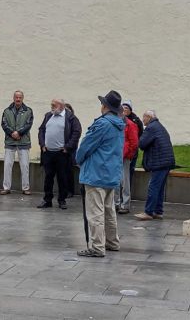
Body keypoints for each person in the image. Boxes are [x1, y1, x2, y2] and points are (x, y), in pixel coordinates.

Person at [75, 90, 125, 257]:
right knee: (109, 210)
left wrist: (78, 159)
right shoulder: (119, 124)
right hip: (111, 173)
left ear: (104, 106)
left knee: (95, 212)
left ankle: (97, 246)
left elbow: (86, 146)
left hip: (96, 173)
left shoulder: (102, 124)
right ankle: (112, 242)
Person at [36, 98, 82, 210]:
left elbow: (77, 132)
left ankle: (62, 200)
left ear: (61, 106)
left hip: (62, 153)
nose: (51, 106)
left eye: (54, 105)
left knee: (62, 178)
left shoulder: (70, 117)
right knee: (48, 178)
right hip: (48, 153)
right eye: (51, 104)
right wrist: (42, 144)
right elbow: (41, 130)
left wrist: (68, 147)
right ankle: (47, 200)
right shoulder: (48, 116)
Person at [134, 110, 175, 221]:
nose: (143, 120)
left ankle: (148, 212)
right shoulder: (159, 126)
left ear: (149, 117)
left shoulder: (151, 127)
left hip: (159, 162)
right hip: (166, 162)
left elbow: (141, 144)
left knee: (153, 187)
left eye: (144, 117)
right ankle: (158, 212)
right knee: (160, 188)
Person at [0, 91, 34, 195]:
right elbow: (4, 124)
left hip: (23, 142)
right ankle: (6, 188)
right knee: (7, 165)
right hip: (10, 141)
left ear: (23, 98)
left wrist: (19, 133)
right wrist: (12, 133)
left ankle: (25, 188)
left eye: (20, 97)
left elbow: (29, 124)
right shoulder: (7, 111)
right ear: (13, 98)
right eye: (16, 97)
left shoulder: (28, 111)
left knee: (24, 166)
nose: (18, 99)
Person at [115, 112, 139, 214]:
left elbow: (134, 143)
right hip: (116, 155)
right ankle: (116, 203)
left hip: (124, 157)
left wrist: (128, 153)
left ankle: (125, 204)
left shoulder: (130, 124)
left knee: (124, 181)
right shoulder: (117, 123)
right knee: (116, 181)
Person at [121, 100, 144, 197]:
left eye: (127, 108)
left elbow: (136, 139)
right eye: (123, 108)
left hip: (129, 153)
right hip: (120, 153)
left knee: (127, 176)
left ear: (130, 109)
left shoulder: (134, 122)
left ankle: (126, 198)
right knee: (120, 178)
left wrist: (130, 153)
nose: (124, 109)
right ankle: (118, 200)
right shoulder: (119, 119)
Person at [63, 102, 80, 198]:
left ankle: (70, 190)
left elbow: (76, 134)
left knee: (69, 171)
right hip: (61, 149)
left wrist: (68, 146)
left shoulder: (73, 120)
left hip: (70, 150)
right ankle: (64, 190)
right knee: (62, 172)